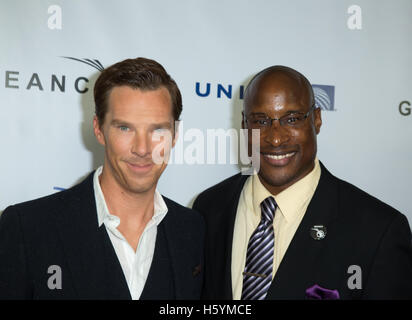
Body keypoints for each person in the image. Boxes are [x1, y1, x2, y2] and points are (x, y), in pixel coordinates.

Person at [193, 65, 412, 300]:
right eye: (261, 121)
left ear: (317, 119)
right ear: (245, 125)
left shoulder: (378, 231)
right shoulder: (209, 209)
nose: (276, 138)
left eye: (292, 119)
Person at [0, 57, 204, 299]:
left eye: (157, 129)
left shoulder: (193, 230)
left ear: (175, 134)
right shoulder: (28, 228)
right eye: (125, 128)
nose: (142, 148)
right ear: (99, 129)